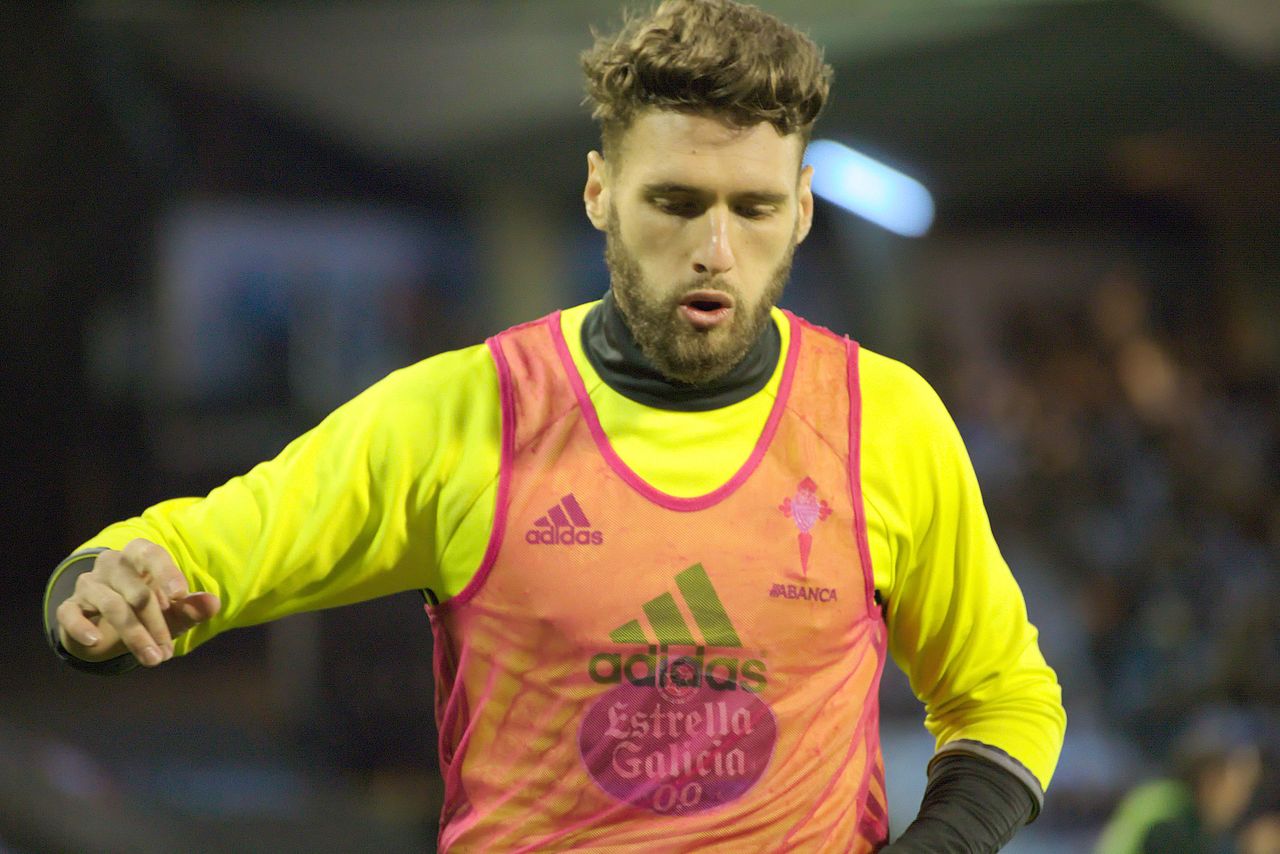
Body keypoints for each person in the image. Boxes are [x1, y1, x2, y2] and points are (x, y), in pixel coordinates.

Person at [44, 1, 1065, 850]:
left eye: (752, 209)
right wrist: (102, 589)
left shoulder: (882, 419)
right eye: (675, 201)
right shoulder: (462, 412)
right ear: (598, 192)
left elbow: (1004, 694)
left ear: (800, 209)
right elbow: (192, 550)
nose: (715, 248)